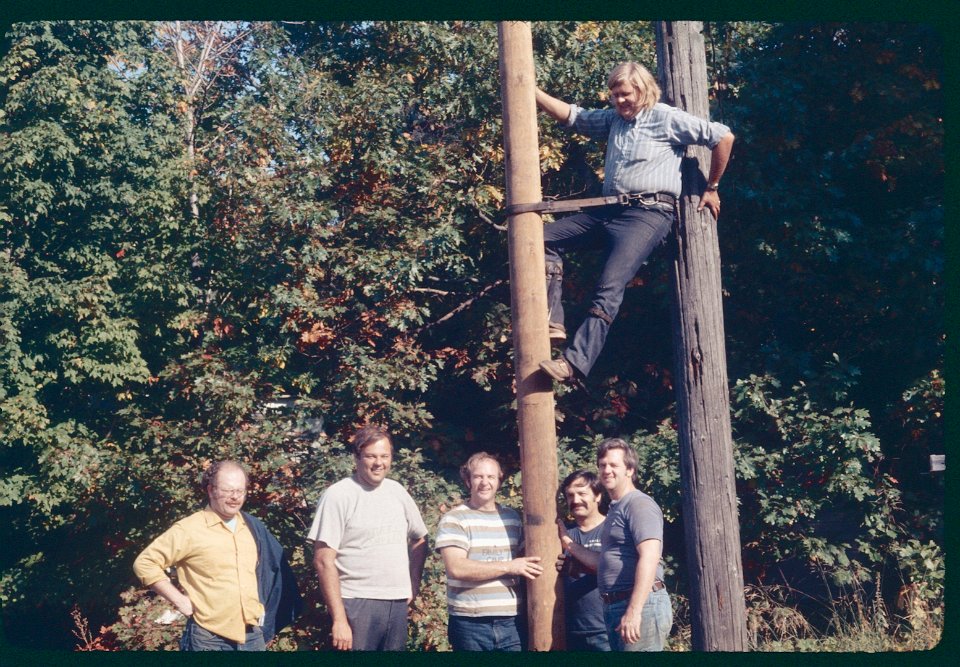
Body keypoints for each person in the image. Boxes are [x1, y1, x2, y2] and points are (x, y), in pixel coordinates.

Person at [534, 61, 735, 383]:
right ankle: (551, 321)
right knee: (540, 239)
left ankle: (573, 365)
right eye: (614, 95)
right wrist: (530, 91)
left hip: (647, 215)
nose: (619, 101)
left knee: (608, 286)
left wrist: (711, 187)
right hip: (609, 210)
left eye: (625, 94)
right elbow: (572, 116)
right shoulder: (614, 120)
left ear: (642, 90)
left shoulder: (665, 118)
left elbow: (722, 136)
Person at [133, 460, 301, 651]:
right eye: (228, 491)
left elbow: (271, 572)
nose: (235, 497)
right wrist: (180, 601)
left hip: (252, 636)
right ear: (211, 490)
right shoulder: (189, 529)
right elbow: (145, 563)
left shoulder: (252, 527)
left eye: (240, 491)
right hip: (208, 638)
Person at [307, 424, 428, 651]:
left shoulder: (397, 492)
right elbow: (323, 561)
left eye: (384, 456)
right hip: (356, 603)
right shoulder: (338, 495)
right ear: (357, 458)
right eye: (371, 456)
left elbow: (420, 539)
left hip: (396, 602)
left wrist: (412, 583)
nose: (378, 463)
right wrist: (339, 619)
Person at [435, 452, 543, 651]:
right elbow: (457, 568)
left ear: (499, 479)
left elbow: (528, 562)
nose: (485, 482)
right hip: (470, 624)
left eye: (491, 477)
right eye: (478, 477)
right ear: (468, 481)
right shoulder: (454, 519)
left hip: (512, 622)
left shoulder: (512, 518)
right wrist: (510, 566)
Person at [595, 438, 671, 651]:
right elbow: (604, 561)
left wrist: (634, 610)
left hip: (640, 605)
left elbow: (650, 556)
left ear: (629, 470)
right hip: (617, 606)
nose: (606, 470)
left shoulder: (638, 504)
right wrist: (569, 544)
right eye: (602, 465)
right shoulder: (615, 508)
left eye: (613, 465)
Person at [555, 469, 610, 651]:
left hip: (607, 630)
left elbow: (610, 568)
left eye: (582, 493)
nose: (576, 500)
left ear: (598, 496)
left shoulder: (612, 529)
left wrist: (571, 551)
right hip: (570, 632)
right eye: (570, 495)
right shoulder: (563, 533)